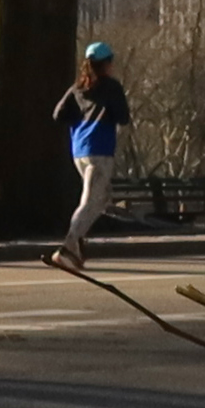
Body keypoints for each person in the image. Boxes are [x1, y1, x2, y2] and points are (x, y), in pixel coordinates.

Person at [48, 42, 130, 266]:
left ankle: (77, 246)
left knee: (100, 199)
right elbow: (123, 117)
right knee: (91, 201)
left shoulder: (77, 88)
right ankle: (69, 246)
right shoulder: (111, 87)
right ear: (106, 63)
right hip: (100, 150)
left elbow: (58, 114)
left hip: (79, 151)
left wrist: (79, 120)